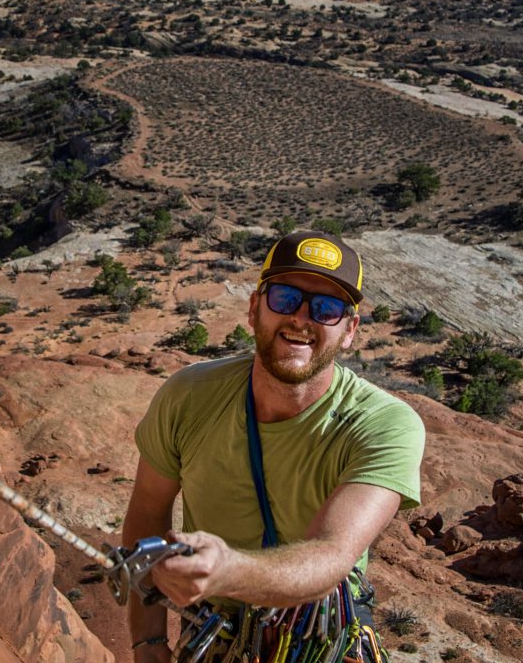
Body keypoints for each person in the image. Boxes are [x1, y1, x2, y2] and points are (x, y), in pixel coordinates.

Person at [123, 231, 426, 662]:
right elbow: (148, 511)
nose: (301, 319)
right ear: (253, 308)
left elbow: (331, 556)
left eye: (326, 308)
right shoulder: (189, 396)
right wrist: (147, 642)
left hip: (321, 638)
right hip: (213, 634)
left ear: (349, 331)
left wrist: (228, 570)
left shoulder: (384, 425)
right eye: (285, 298)